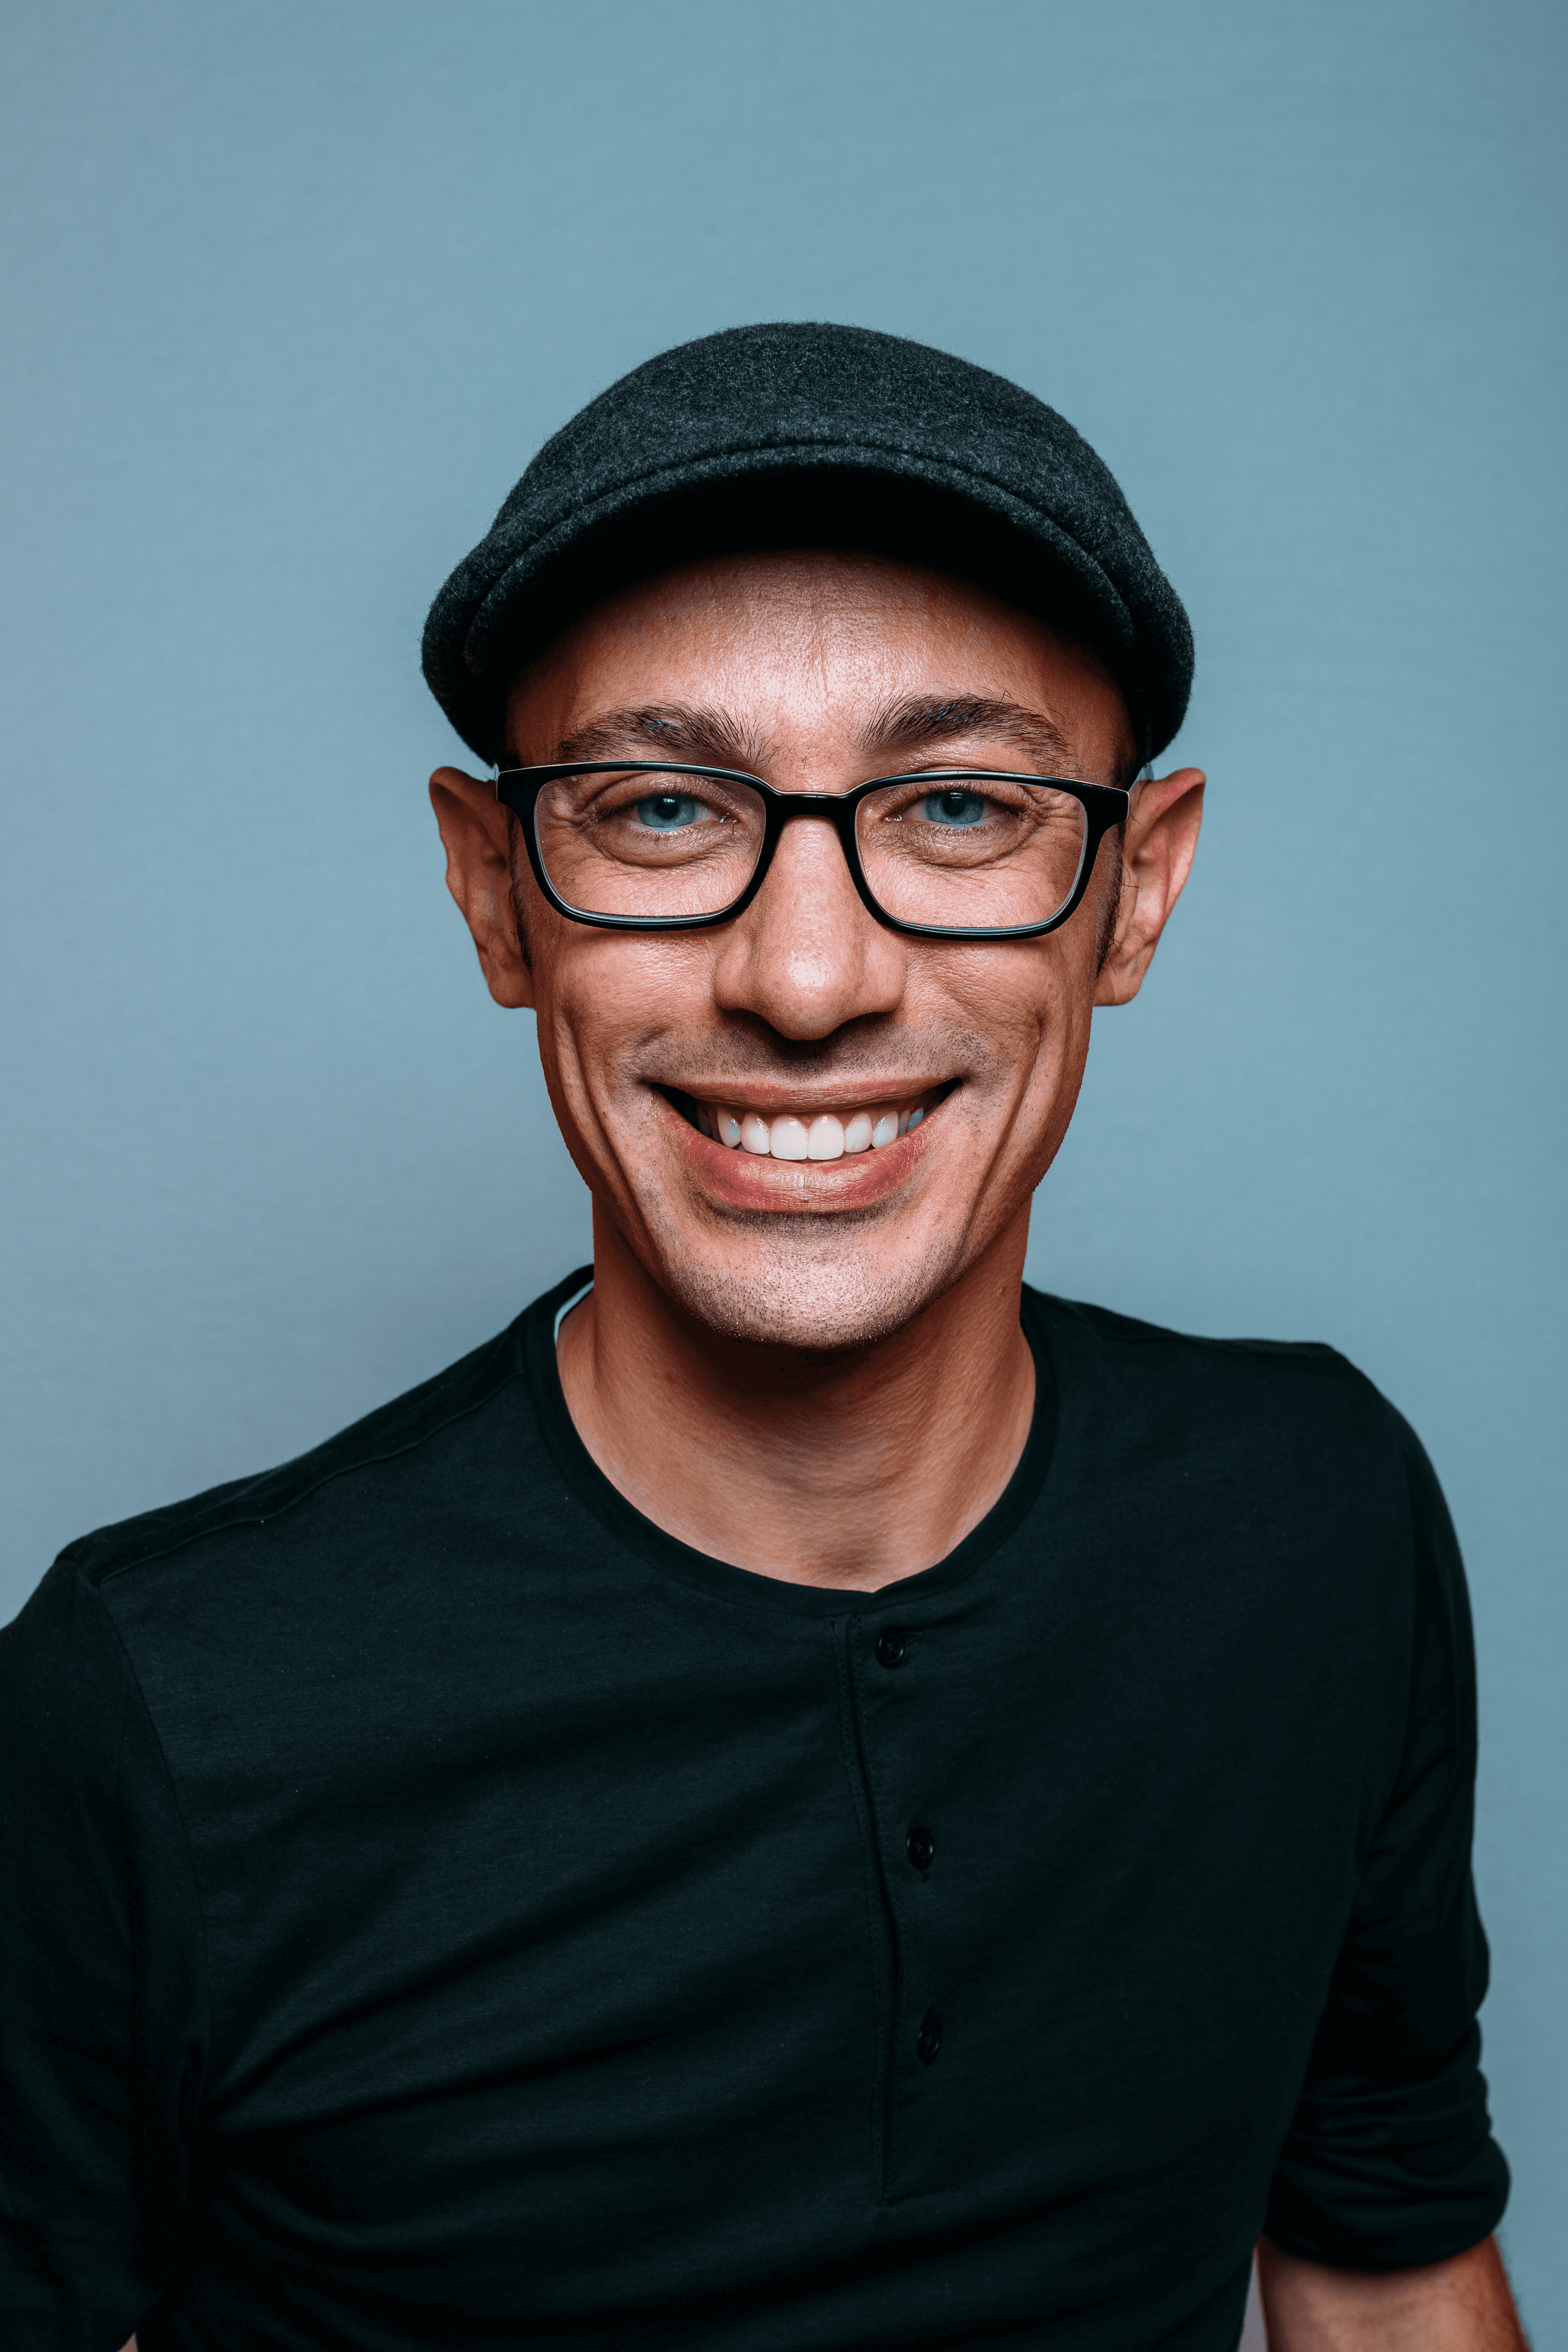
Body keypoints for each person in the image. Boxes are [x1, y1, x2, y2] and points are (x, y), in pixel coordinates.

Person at [0, 324, 1525, 2352]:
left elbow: (1381, 2262)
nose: (806, 976)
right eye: (657, 812)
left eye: (962, 808)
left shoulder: (1317, 1522)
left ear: (1132, 893)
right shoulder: (150, 1709)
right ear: (494, 898)